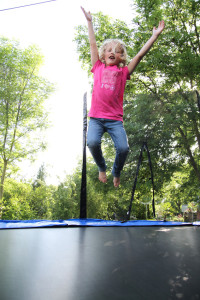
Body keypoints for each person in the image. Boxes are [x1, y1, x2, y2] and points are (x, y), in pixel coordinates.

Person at [81, 7, 165, 187]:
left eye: (117, 51)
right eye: (109, 50)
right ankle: (101, 167)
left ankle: (116, 171)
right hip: (96, 118)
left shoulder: (123, 72)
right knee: (93, 143)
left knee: (123, 148)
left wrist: (154, 36)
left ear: (121, 57)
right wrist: (89, 22)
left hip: (114, 120)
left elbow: (141, 55)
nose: (112, 52)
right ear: (103, 55)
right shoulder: (97, 67)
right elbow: (92, 45)